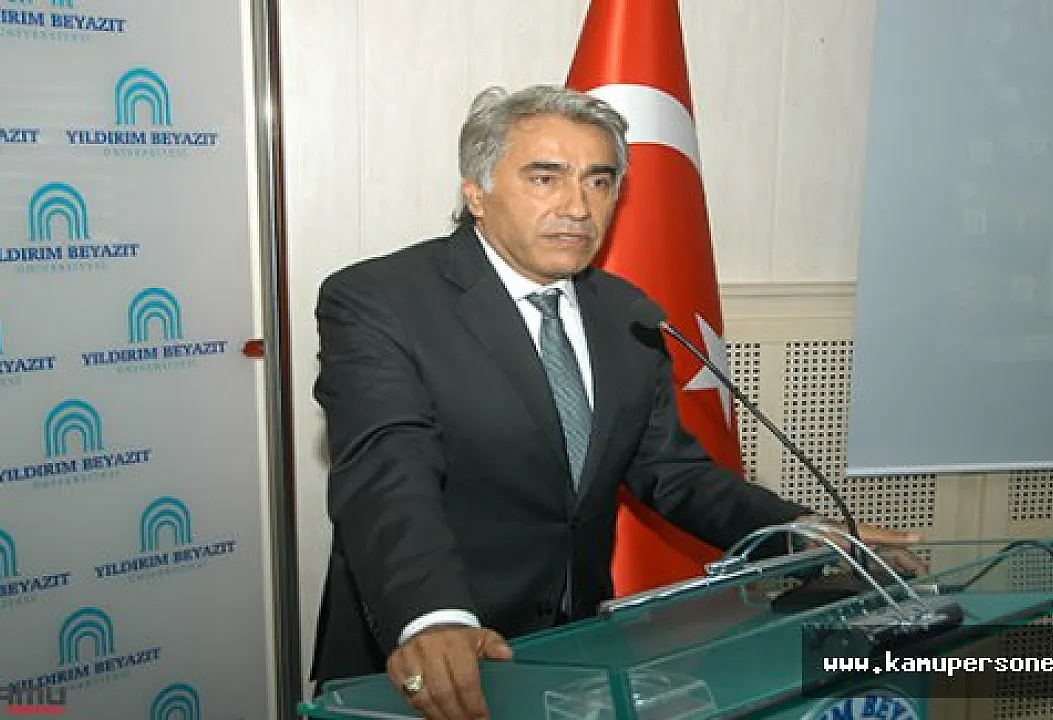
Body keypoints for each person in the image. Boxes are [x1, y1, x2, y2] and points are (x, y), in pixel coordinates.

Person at [310, 84, 920, 720]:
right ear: (477, 193)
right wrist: (433, 618)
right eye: (545, 178)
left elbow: (672, 472)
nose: (578, 206)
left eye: (599, 182)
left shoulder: (625, 310)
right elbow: (388, 471)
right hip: (431, 655)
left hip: (573, 654)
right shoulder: (379, 299)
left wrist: (799, 534)